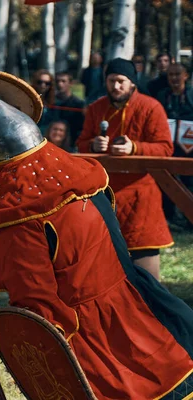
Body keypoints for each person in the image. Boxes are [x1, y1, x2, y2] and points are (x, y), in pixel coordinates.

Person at [0, 93, 193, 400]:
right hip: (141, 306)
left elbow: (36, 309)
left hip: (93, 335)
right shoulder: (87, 183)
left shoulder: (25, 223)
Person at [76, 58, 173, 280]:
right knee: (103, 275)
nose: (116, 86)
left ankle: (153, 313)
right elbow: (81, 143)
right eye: (111, 81)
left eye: (121, 81)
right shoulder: (96, 108)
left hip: (141, 198)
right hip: (103, 197)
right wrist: (92, 145)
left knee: (147, 280)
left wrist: (135, 147)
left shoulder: (151, 107)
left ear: (132, 83)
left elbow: (165, 148)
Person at [158, 63, 193, 228]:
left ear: (186, 75)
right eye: (170, 75)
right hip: (168, 146)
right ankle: (169, 218)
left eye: (178, 74)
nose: (174, 78)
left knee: (189, 182)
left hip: (190, 146)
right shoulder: (162, 96)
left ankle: (189, 219)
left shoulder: (191, 95)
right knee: (166, 181)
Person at [54, 71, 85, 146]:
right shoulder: (52, 101)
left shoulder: (78, 104)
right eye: (57, 81)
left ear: (70, 83)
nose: (60, 84)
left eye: (63, 81)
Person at [31, 69, 56, 135]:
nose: (43, 85)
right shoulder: (27, 98)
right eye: (40, 82)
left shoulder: (55, 101)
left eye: (47, 83)